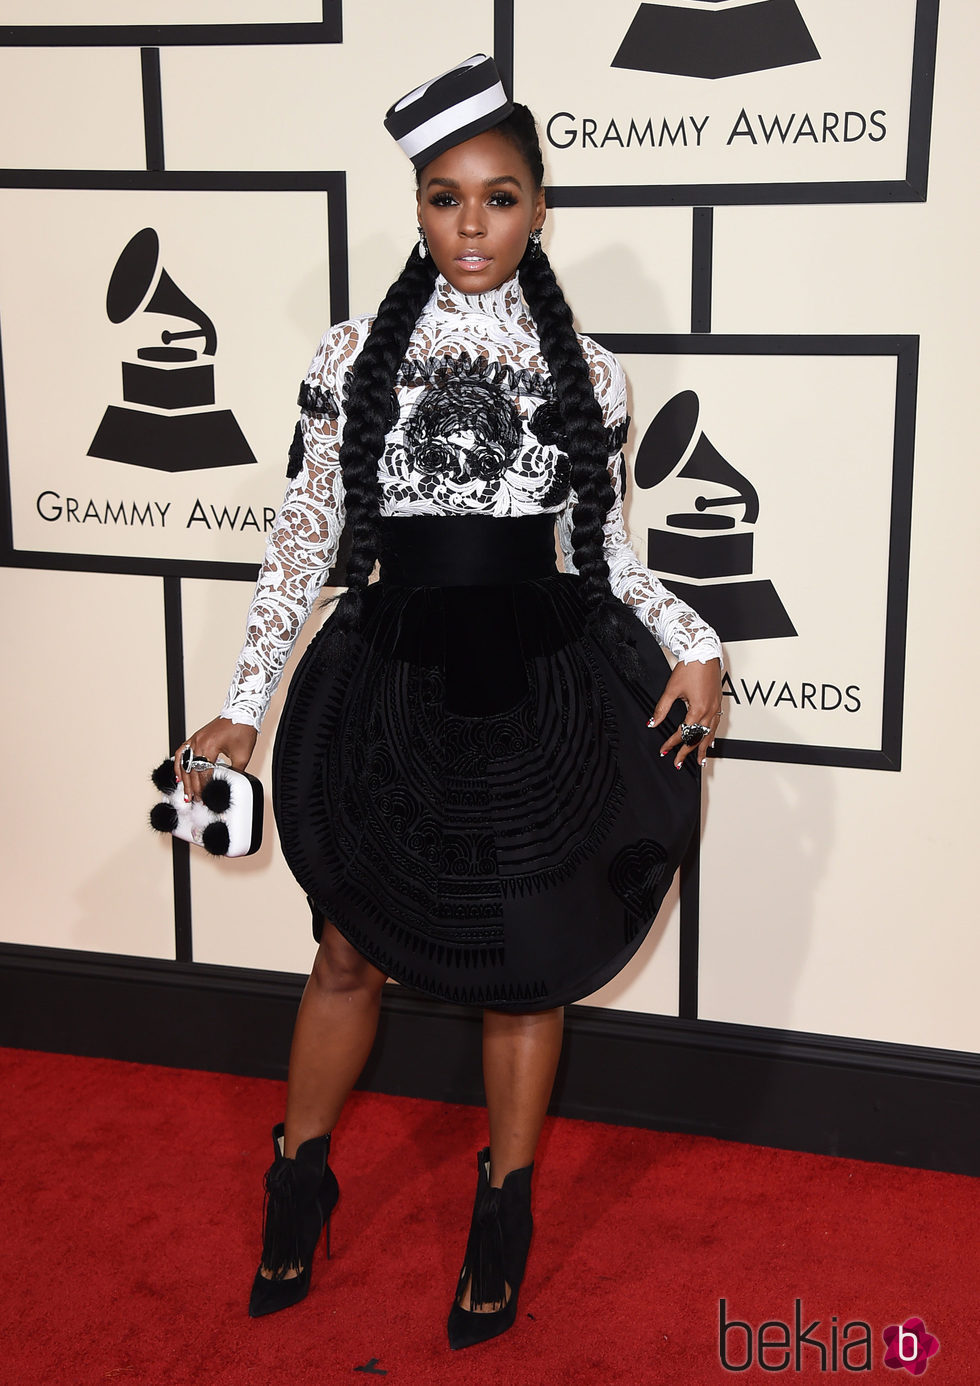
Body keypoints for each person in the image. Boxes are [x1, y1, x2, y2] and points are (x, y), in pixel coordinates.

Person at [174, 54, 723, 1351]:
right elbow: (303, 530)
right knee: (347, 948)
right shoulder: (357, 352)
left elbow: (608, 551)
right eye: (444, 198)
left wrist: (689, 639)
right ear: (416, 206)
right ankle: (298, 1176)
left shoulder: (590, 371)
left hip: (537, 679)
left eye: (501, 198)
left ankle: (504, 1209)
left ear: (541, 209)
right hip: (391, 672)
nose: (472, 227)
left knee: (529, 970)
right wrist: (244, 698)